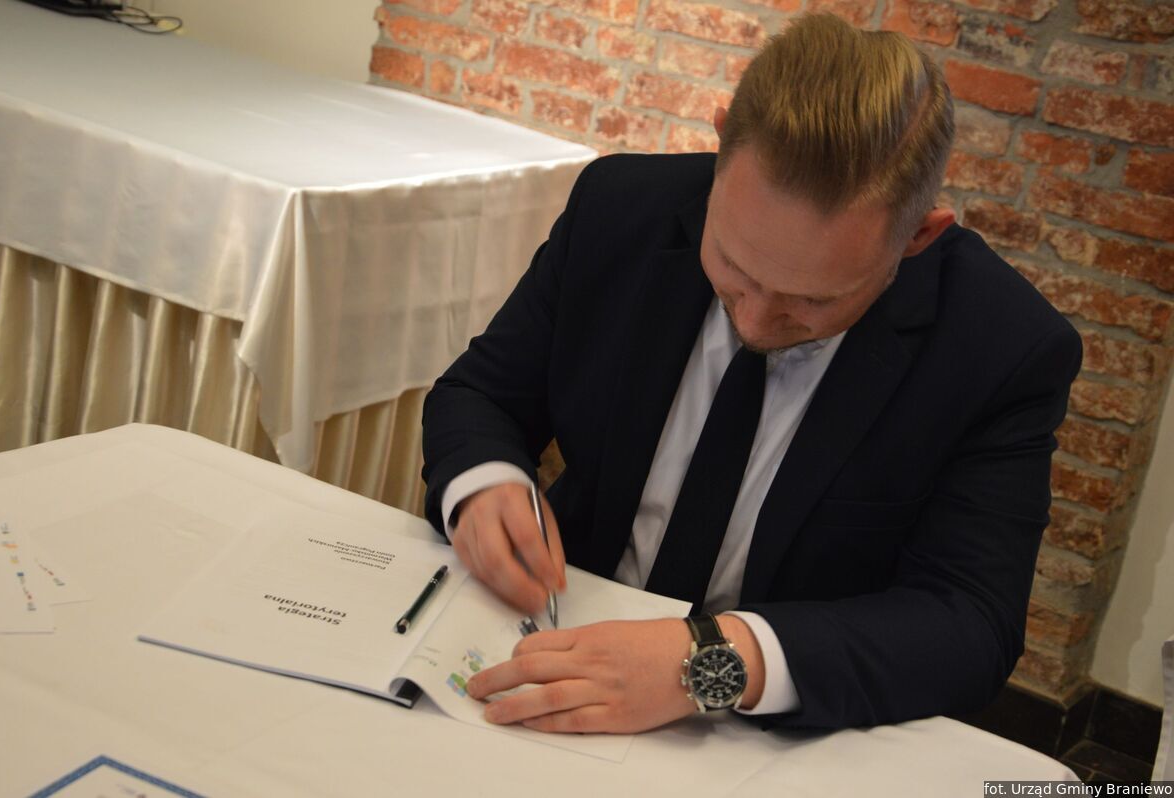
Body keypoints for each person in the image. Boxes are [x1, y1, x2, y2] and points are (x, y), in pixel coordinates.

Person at [421, 13, 1082, 733]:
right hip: (562, 639)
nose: (758, 322)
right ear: (720, 142)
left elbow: (971, 623)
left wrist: (717, 660)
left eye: (813, 301)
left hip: (774, 728)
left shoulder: (1000, 347)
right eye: (732, 267)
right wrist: (485, 483)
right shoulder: (619, 209)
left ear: (919, 236)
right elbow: (481, 394)